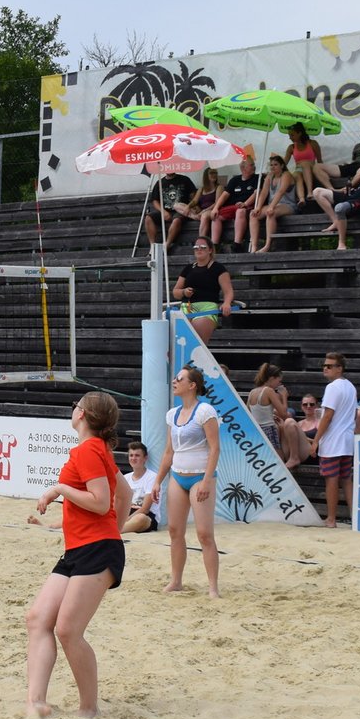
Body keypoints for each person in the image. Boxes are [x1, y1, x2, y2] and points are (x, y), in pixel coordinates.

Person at [24, 392, 132, 719]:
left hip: (97, 549)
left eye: (75, 406)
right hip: (80, 547)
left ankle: (88, 709)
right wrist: (114, 529)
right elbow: (125, 493)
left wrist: (58, 489)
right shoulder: (97, 450)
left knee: (68, 630)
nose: (73, 410)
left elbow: (100, 502)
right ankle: (36, 703)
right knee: (38, 619)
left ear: (82, 413)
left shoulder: (89, 450)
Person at [153, 364, 222, 597]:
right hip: (177, 476)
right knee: (174, 531)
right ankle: (176, 581)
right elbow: (168, 452)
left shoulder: (205, 411)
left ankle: (213, 587)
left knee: (204, 534)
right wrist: (158, 481)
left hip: (200, 476)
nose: (175, 381)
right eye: (175, 378)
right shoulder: (172, 414)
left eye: (179, 379)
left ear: (192, 385)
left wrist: (206, 481)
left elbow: (215, 449)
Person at [311, 353, 357, 528]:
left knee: (331, 479)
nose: (325, 368)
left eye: (329, 366)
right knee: (346, 480)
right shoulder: (351, 386)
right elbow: (354, 414)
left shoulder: (332, 387)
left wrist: (316, 440)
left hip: (333, 440)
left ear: (340, 368)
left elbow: (328, 416)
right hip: (347, 439)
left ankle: (331, 519)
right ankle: (354, 517)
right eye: (324, 365)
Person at [171, 237, 234, 345]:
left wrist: (227, 303)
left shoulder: (218, 268)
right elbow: (175, 292)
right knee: (176, 343)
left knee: (195, 342)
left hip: (206, 309)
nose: (199, 249)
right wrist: (184, 292)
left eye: (203, 247)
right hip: (186, 308)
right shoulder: (188, 268)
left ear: (210, 250)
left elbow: (228, 291)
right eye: (196, 247)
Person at [248, 363, 304, 469]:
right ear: (272, 378)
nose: (279, 384)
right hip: (269, 430)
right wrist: (284, 396)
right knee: (279, 463)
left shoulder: (252, 392)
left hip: (257, 432)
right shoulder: (268, 391)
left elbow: (250, 412)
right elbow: (283, 413)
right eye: (278, 381)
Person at [205, 155, 263, 251]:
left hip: (248, 206)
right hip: (233, 206)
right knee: (216, 215)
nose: (254, 167)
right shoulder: (235, 180)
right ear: (243, 168)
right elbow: (224, 195)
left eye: (254, 164)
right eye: (251, 165)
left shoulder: (258, 178)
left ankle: (237, 244)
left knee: (240, 211)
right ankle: (215, 246)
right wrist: (215, 208)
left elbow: (257, 193)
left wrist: (245, 203)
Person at [248, 154, 299, 253]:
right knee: (253, 214)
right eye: (271, 165)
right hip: (273, 205)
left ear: (282, 166)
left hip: (288, 205)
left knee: (270, 213)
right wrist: (258, 207)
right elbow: (264, 192)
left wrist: (271, 207)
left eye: (275, 164)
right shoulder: (269, 176)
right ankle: (254, 246)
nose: (272, 167)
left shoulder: (286, 175)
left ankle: (268, 245)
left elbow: (281, 191)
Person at [144, 171, 199, 247]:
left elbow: (193, 195)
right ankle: (152, 246)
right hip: (165, 211)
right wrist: (163, 212)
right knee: (148, 218)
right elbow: (155, 201)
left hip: (181, 211)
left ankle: (167, 245)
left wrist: (193, 206)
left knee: (176, 220)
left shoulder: (185, 179)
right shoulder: (159, 183)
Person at [170, 168, 221, 240]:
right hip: (200, 211)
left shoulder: (219, 187)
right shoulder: (202, 189)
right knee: (176, 205)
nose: (214, 175)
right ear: (206, 176)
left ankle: (201, 240)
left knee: (204, 216)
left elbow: (217, 203)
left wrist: (205, 210)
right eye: (211, 173)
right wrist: (188, 207)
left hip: (212, 210)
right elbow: (194, 201)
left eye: (215, 173)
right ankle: (195, 217)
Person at [122, 440, 159, 534]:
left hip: (146, 515)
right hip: (127, 513)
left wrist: (126, 519)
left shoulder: (152, 477)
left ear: (145, 458)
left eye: (137, 455)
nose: (133, 458)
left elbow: (145, 509)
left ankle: (115, 531)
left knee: (140, 518)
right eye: (131, 455)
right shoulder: (125, 478)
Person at [286, 122, 334, 193]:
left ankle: (309, 192)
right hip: (299, 170)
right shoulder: (291, 147)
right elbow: (284, 163)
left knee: (305, 164)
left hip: (312, 168)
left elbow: (319, 161)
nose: (290, 138)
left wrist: (323, 172)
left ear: (299, 133)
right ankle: (301, 197)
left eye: (292, 135)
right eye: (289, 135)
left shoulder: (313, 143)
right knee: (296, 175)